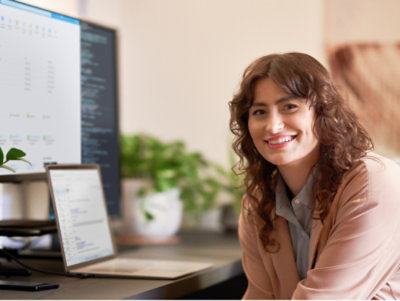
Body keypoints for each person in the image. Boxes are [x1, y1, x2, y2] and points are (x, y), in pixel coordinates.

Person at [229, 52, 400, 299]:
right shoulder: (258, 203)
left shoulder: (374, 183)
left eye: (289, 107)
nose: (272, 126)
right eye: (259, 112)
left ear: (323, 112)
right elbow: (260, 296)